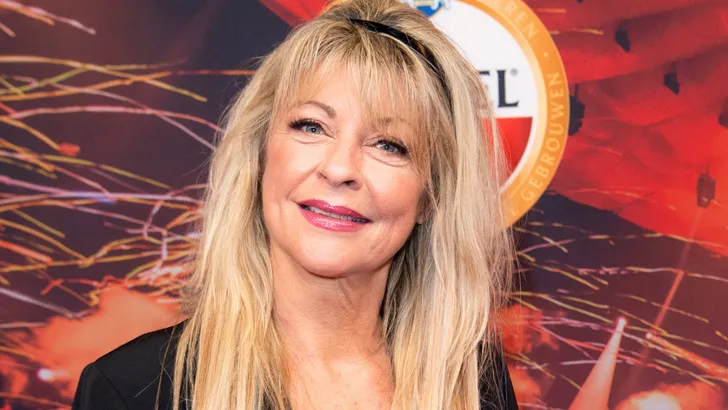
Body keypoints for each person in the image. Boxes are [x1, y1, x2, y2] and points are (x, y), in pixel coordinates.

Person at [71, 0, 517, 408]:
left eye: (389, 145)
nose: (339, 168)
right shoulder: (133, 390)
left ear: (430, 197)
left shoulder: (474, 385)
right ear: (261, 154)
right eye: (312, 126)